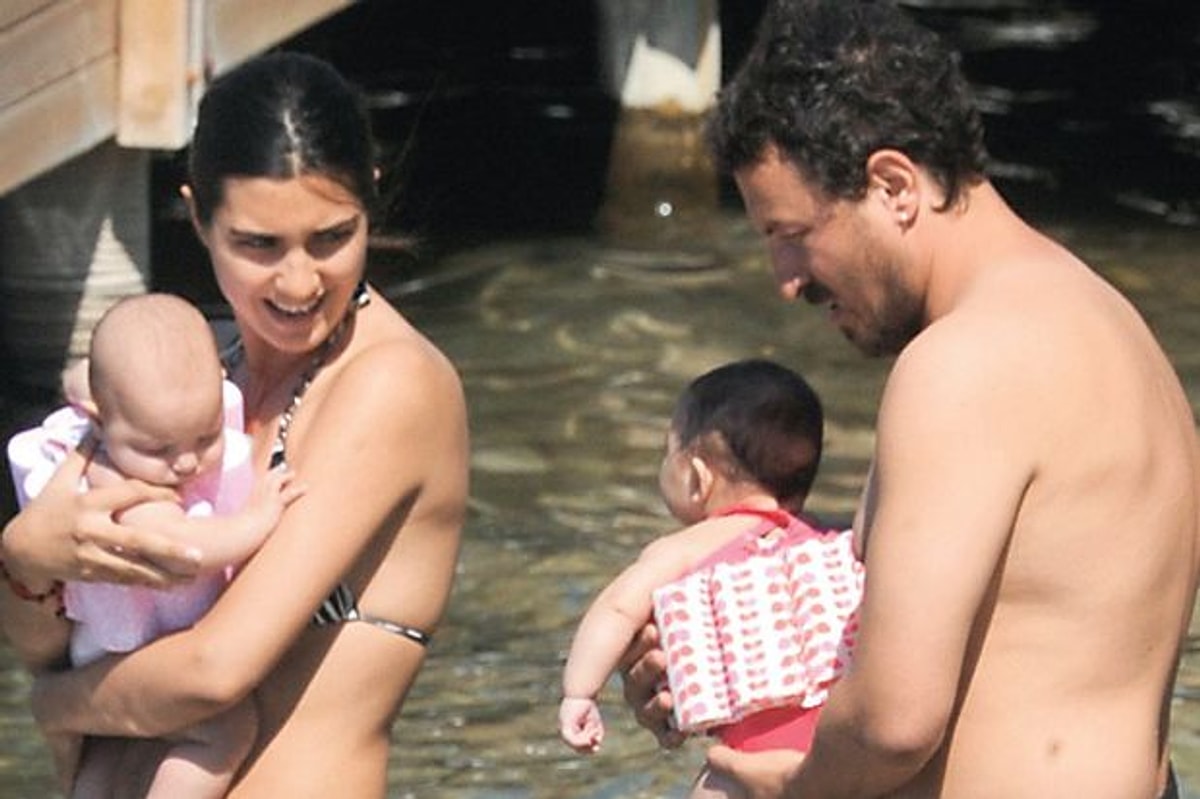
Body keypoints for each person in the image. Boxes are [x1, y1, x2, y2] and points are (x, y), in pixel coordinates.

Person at [619, 2, 1200, 798]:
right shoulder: (1107, 323)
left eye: (792, 233)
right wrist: (718, 644)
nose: (785, 280)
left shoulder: (963, 363)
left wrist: (785, 788)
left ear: (893, 184)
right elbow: (1024, 605)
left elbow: (893, 721)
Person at [0, 50, 469, 799]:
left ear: (371, 198)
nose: (299, 282)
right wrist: (26, 562)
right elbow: (49, 642)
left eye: (331, 237)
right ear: (197, 216)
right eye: (258, 244)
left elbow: (215, 669)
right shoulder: (189, 383)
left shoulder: (391, 384)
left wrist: (55, 708)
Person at [6, 292, 301, 798]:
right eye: (157, 448)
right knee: (227, 729)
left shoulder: (134, 419)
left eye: (206, 437)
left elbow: (84, 380)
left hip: (101, 654)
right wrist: (259, 519)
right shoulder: (119, 481)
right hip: (126, 656)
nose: (185, 463)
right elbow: (183, 547)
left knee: (101, 760)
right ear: (97, 422)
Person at [559, 359, 863, 798]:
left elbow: (617, 609)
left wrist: (580, 693)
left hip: (747, 760)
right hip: (843, 749)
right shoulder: (834, 543)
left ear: (697, 478)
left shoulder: (685, 550)